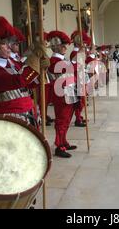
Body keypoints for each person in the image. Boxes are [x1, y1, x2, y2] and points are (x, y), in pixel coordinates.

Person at [0, 16, 48, 129]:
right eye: (4, 43)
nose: (9, 47)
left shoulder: (12, 63)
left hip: (28, 115)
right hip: (8, 122)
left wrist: (41, 68)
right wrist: (34, 59)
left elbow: (30, 84)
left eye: (9, 42)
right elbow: (18, 81)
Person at [47, 30, 78, 158]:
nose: (66, 47)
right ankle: (59, 145)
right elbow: (70, 69)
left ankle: (64, 141)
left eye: (65, 44)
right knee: (61, 120)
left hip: (69, 91)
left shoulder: (62, 58)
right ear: (56, 47)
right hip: (61, 93)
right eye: (63, 45)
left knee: (67, 119)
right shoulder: (54, 60)